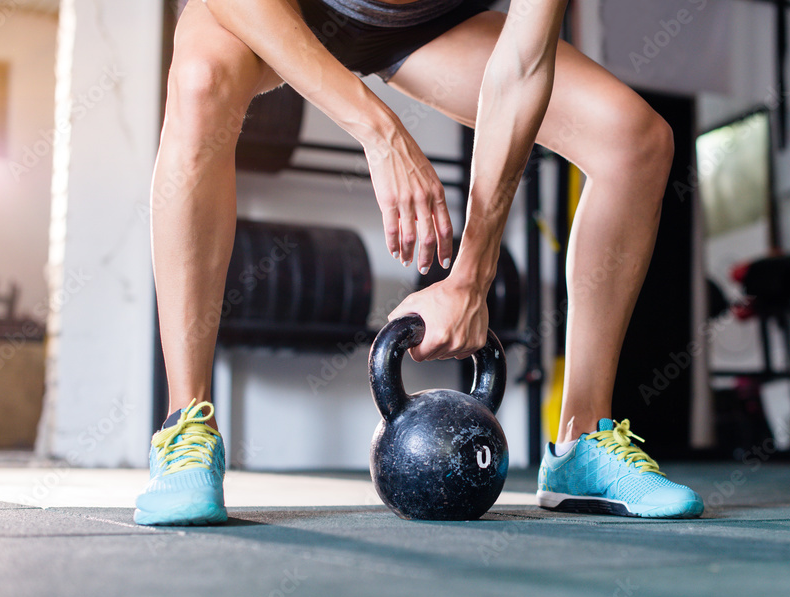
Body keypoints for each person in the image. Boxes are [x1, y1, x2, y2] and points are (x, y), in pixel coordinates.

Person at [134, 0, 704, 526]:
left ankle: (582, 442)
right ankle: (187, 426)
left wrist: (470, 279)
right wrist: (378, 131)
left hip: (428, 20)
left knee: (635, 140)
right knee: (200, 82)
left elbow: (524, 67)